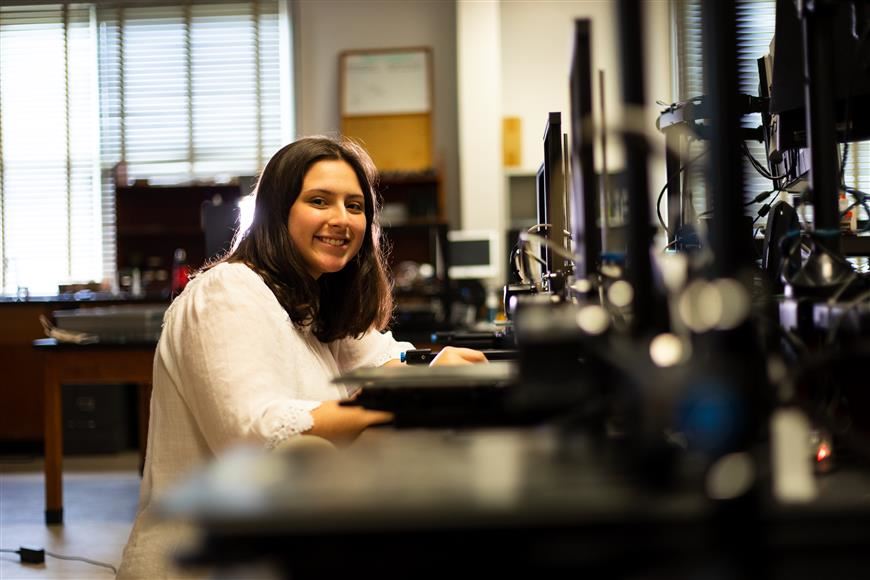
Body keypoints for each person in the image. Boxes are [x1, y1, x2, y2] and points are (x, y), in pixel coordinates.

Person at [118, 136, 485, 578]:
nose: (341, 219)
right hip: (201, 562)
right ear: (277, 212)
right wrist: (416, 397)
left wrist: (438, 374)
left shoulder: (313, 302)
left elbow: (386, 365)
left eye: (354, 205)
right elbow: (253, 432)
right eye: (319, 201)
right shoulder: (228, 291)